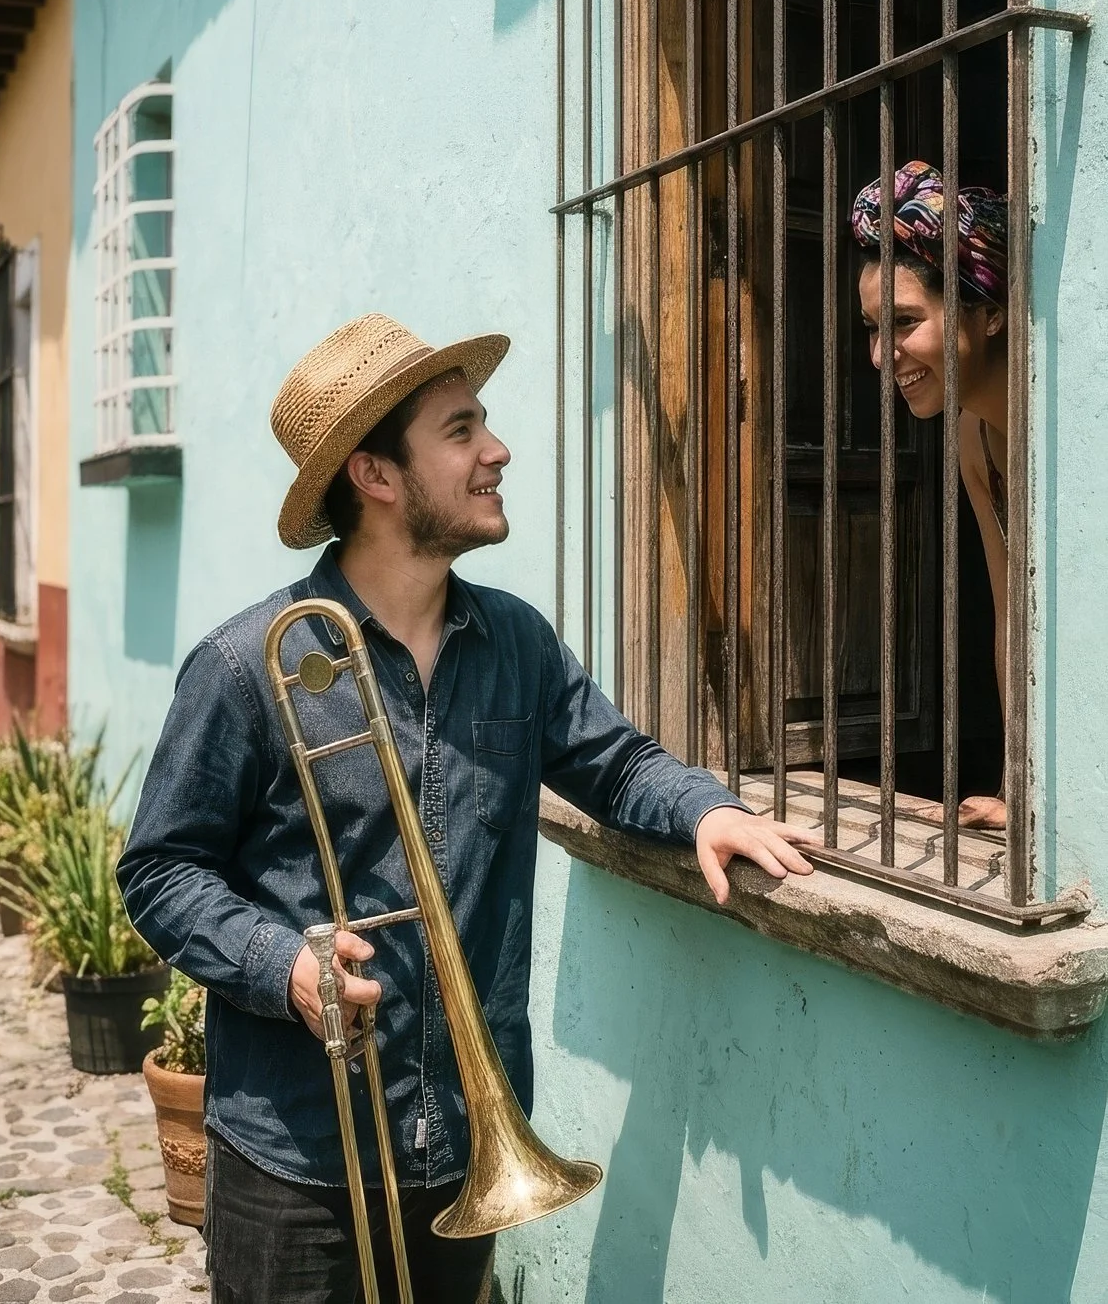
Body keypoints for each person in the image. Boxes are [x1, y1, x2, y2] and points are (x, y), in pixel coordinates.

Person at [116, 314, 818, 1303]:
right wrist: (284, 965)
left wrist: (705, 809)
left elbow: (615, 766)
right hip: (297, 1158)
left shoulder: (516, 643)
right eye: (460, 430)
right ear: (376, 476)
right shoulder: (247, 666)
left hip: (467, 1140)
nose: (496, 450)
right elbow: (158, 873)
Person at [855, 159, 1013, 828]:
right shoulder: (973, 440)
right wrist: (1023, 789)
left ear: (992, 312)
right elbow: (1014, 620)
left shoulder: (1068, 439)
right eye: (872, 328)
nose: (882, 354)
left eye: (904, 322)